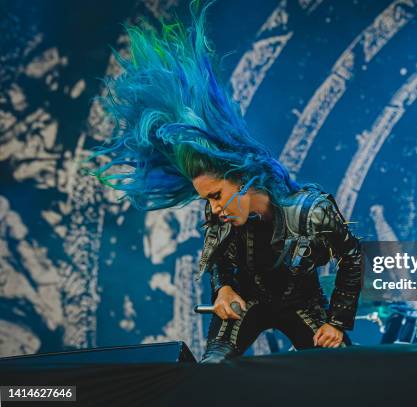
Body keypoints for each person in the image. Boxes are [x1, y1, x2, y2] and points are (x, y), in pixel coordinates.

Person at [88, 4, 363, 362]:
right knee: (212, 372)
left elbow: (352, 256)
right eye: (209, 200)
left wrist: (337, 323)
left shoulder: (311, 210)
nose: (214, 208)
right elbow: (221, 262)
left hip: (302, 304)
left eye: (217, 196)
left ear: (243, 177)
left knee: (344, 366)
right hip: (245, 304)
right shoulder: (219, 213)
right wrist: (224, 289)